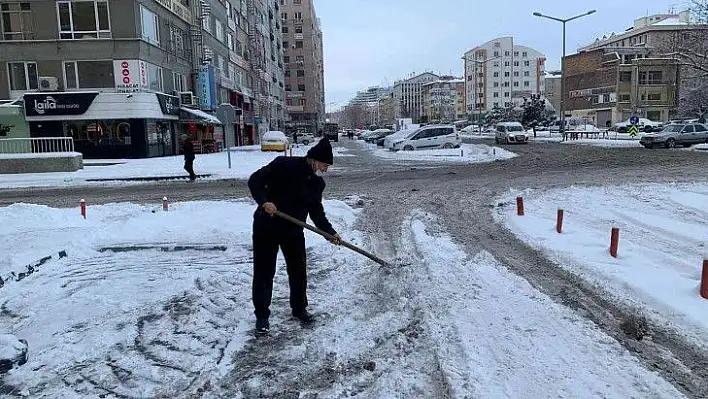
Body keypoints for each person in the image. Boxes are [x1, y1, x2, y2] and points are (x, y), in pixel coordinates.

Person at [247, 137, 341, 335]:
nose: (325, 169)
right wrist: (264, 202)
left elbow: (316, 212)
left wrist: (330, 233)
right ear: (314, 159)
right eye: (325, 165)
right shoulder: (283, 165)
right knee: (264, 272)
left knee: (298, 272)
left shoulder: (317, 184)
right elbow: (254, 181)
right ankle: (262, 316)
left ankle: (299, 309)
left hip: (293, 231)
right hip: (267, 227)